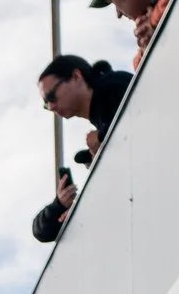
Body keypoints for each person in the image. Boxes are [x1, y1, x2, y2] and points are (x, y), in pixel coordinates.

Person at [31, 54, 134, 242]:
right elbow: (42, 232)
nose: (52, 106)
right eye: (46, 104)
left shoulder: (112, 84)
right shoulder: (103, 108)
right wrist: (60, 204)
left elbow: (138, 110)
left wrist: (102, 138)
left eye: (52, 97)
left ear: (77, 77)